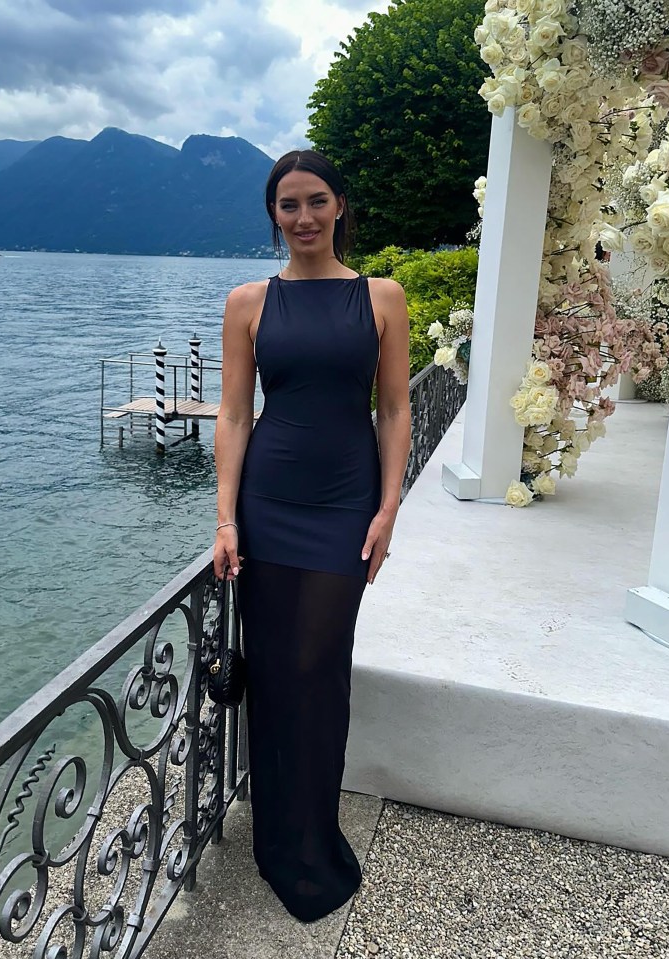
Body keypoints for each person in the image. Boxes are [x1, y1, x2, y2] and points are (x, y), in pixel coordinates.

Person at [212, 149, 412, 922]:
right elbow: (233, 414)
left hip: (343, 502)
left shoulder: (382, 297)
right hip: (268, 498)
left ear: (338, 207)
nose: (301, 217)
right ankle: (276, 840)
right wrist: (226, 517)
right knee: (271, 664)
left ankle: (312, 838)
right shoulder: (247, 302)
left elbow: (393, 409)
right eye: (287, 204)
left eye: (315, 201)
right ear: (273, 214)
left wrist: (387, 507)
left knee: (316, 664)